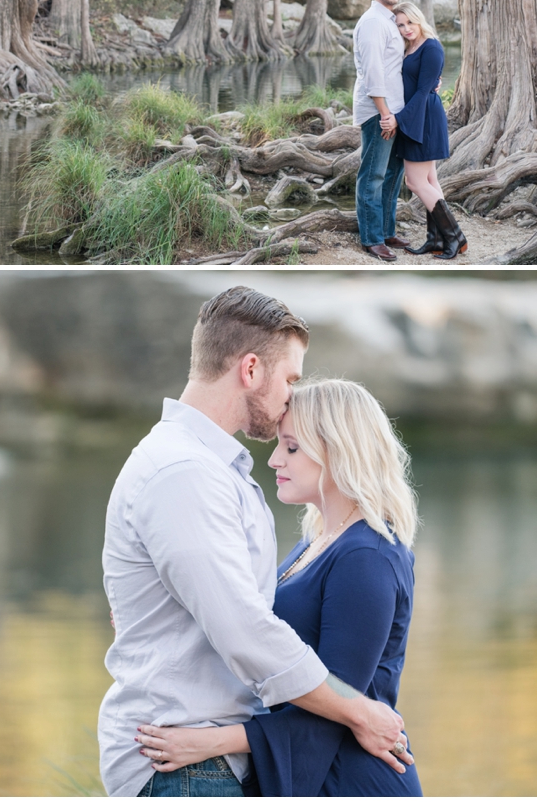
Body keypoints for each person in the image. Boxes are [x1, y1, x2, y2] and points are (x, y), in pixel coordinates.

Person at [99, 287, 411, 797]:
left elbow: (237, 608)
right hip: (185, 765)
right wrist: (359, 711)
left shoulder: (208, 468)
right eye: (289, 378)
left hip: (208, 759)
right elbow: (245, 629)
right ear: (249, 370)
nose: (292, 395)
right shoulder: (185, 473)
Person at [393, 1, 468, 260]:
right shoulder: (409, 46)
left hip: (423, 117)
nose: (406, 29)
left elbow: (424, 90)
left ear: (419, 19)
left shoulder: (431, 46)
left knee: (414, 181)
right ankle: (436, 239)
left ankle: (455, 235)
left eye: (409, 23)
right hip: (417, 114)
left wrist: (398, 120)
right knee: (430, 181)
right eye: (400, 25)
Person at [352, 0, 409, 262]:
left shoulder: (390, 21)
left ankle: (387, 231)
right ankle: (371, 238)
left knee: (393, 172)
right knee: (373, 174)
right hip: (379, 111)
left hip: (395, 111)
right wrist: (385, 113)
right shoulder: (373, 22)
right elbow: (372, 73)